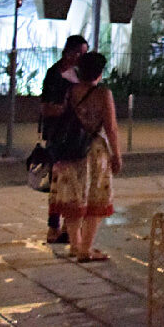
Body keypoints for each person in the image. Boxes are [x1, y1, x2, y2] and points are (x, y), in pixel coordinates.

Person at [48, 51, 121, 262]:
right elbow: (111, 128)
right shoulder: (103, 94)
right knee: (95, 201)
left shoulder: (70, 91)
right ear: (99, 73)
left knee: (73, 199)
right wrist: (117, 155)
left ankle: (75, 244)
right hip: (93, 151)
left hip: (69, 150)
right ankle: (85, 249)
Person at [40, 35, 88, 245]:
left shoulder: (79, 74)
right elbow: (46, 107)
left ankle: (68, 227)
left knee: (74, 184)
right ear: (71, 52)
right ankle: (53, 227)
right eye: (82, 53)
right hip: (59, 135)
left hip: (78, 136)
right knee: (58, 182)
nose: (83, 58)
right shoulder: (55, 74)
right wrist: (66, 108)